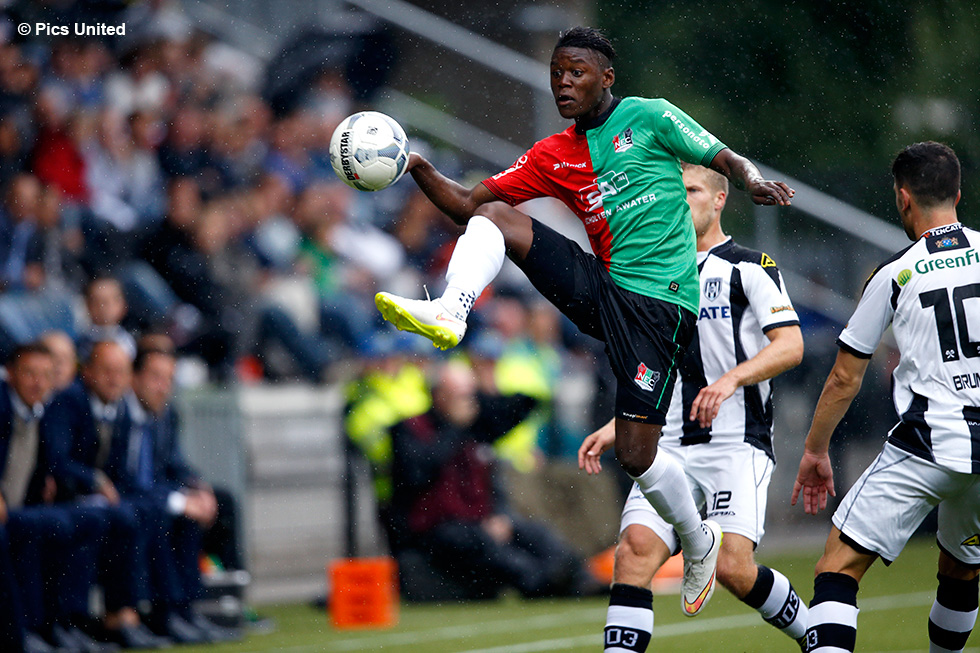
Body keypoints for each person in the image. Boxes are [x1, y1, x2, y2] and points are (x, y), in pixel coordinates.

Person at [374, 26, 794, 615]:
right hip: (605, 288)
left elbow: (719, 155)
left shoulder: (650, 116)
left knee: (637, 455)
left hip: (660, 307)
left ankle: (697, 540)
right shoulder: (553, 154)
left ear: (606, 78)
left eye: (576, 72)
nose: (564, 83)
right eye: (556, 73)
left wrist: (749, 180)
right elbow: (467, 204)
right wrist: (415, 165)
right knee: (496, 216)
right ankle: (452, 308)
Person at [579, 163, 807, 651]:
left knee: (732, 568)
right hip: (669, 445)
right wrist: (619, 425)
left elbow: (791, 345)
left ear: (720, 199)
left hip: (735, 443)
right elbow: (659, 364)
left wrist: (731, 379)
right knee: (634, 552)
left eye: (692, 190)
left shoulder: (750, 267)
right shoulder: (651, 272)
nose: (680, 201)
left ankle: (815, 637)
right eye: (672, 191)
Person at [792, 142, 980, 653]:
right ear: (958, 194)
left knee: (837, 568)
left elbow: (843, 377)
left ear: (903, 198)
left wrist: (815, 449)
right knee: (961, 568)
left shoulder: (896, 272)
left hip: (927, 443)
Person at [389, 361, 597, 600]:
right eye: (462, 395)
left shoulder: (476, 426)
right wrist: (453, 428)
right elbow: (418, 473)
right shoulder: (410, 429)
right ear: (439, 395)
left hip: (479, 521)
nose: (470, 402)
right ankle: (545, 583)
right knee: (489, 547)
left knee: (536, 533)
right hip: (437, 529)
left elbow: (527, 404)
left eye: (472, 394)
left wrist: (499, 515)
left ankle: (581, 577)